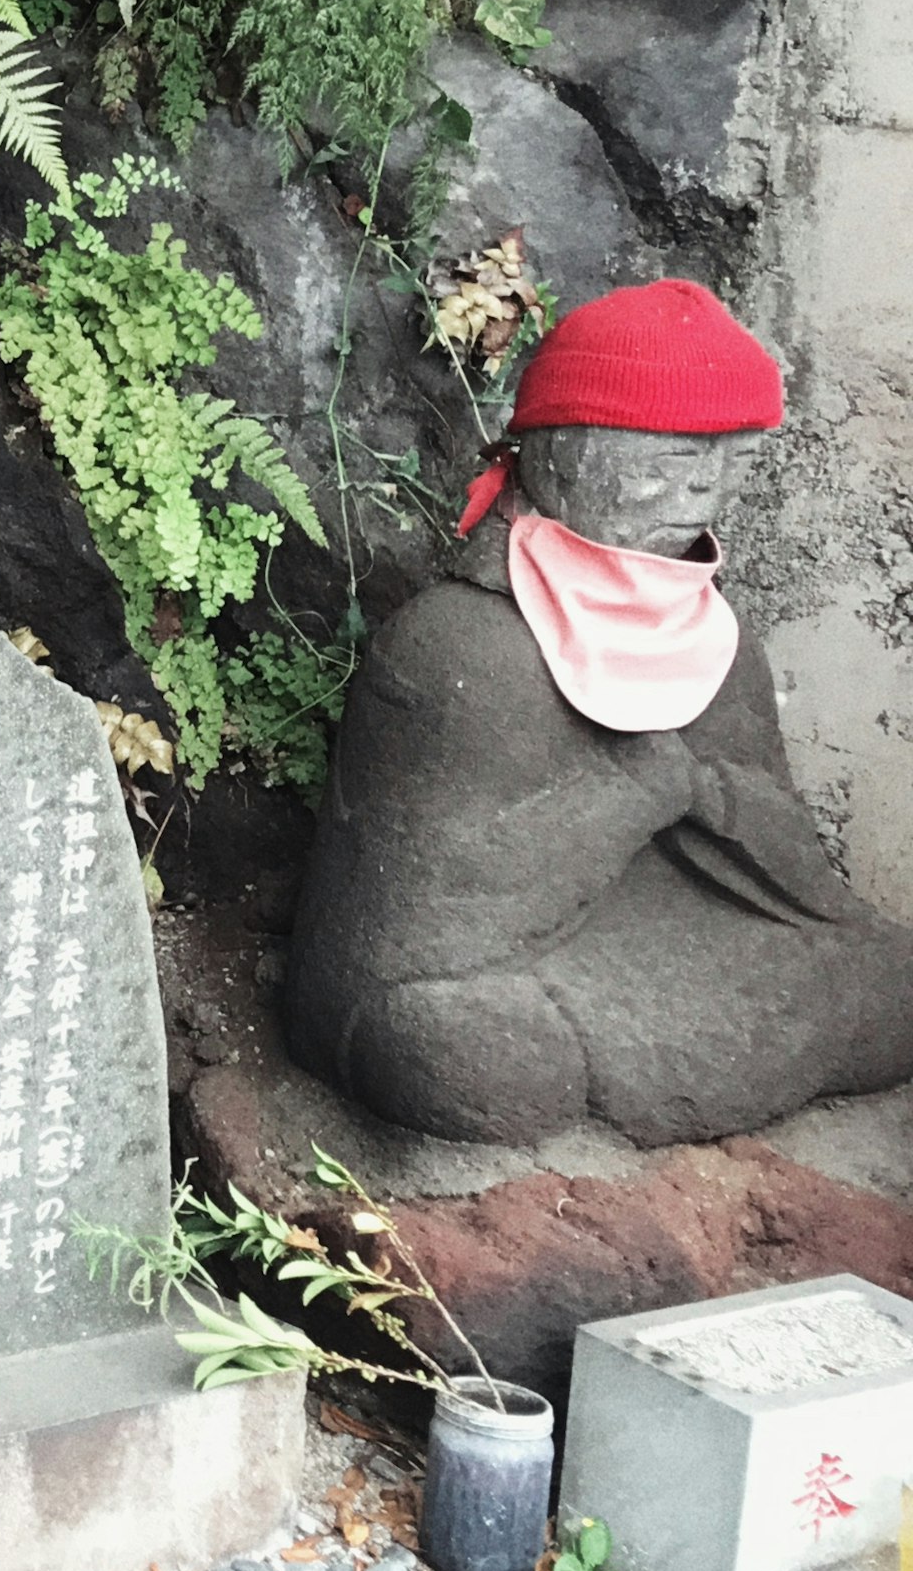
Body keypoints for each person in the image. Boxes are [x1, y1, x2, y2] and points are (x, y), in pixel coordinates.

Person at [288, 281, 913, 1147]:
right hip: (505, 972)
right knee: (455, 1056)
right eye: (668, 458)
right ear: (556, 454)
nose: (702, 489)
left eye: (728, 460)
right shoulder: (455, 648)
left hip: (681, 939)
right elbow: (420, 917)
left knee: (888, 978)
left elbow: (801, 881)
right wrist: (639, 791)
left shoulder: (720, 640)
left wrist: (723, 802)